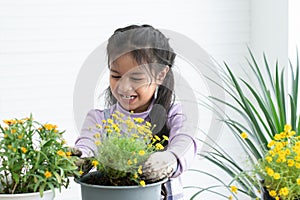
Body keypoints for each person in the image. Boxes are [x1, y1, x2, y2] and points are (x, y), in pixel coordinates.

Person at [74, 24, 197, 200]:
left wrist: (170, 159)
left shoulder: (174, 115)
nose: (123, 87)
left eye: (136, 78)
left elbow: (185, 142)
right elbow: (87, 143)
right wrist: (81, 157)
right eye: (116, 76)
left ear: (160, 76)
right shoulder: (99, 119)